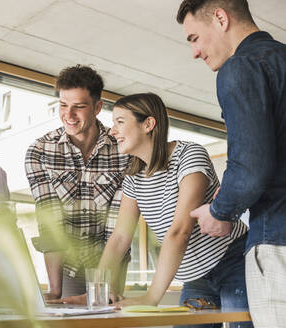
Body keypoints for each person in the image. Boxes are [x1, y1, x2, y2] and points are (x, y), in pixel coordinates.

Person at [77, 93, 249, 328]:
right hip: (194, 278)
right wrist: (97, 290)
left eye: (120, 122)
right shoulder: (134, 177)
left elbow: (180, 231)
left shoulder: (189, 155)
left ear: (148, 124)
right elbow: (119, 238)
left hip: (233, 262)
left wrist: (151, 297)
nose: (112, 131)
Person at [176, 1, 286, 326]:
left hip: (278, 237)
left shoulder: (240, 67)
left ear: (220, 18)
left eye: (195, 38)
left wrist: (219, 212)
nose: (195, 52)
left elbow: (251, 168)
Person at [25, 65, 131, 299]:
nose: (69, 115)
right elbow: (50, 221)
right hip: (68, 263)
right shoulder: (40, 151)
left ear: (97, 107)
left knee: (106, 317)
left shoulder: (123, 150)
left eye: (79, 107)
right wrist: (55, 290)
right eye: (63, 105)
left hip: (111, 258)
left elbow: (118, 228)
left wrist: (106, 285)